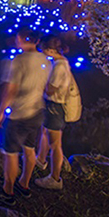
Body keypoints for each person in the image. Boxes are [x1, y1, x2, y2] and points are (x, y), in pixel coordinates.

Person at [0, 27, 52, 202]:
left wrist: (0, 112)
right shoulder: (45, 60)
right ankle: (24, 184)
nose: (15, 40)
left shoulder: (18, 60)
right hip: (37, 112)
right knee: (30, 150)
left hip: (19, 114)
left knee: (11, 154)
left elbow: (10, 89)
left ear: (21, 39)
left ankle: (7, 191)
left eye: (17, 38)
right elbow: (46, 86)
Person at [34, 34, 71, 190]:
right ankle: (41, 160)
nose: (42, 53)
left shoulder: (59, 66)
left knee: (55, 144)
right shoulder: (60, 62)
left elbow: (50, 90)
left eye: (43, 50)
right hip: (54, 107)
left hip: (55, 107)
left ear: (50, 50)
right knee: (44, 132)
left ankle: (55, 179)